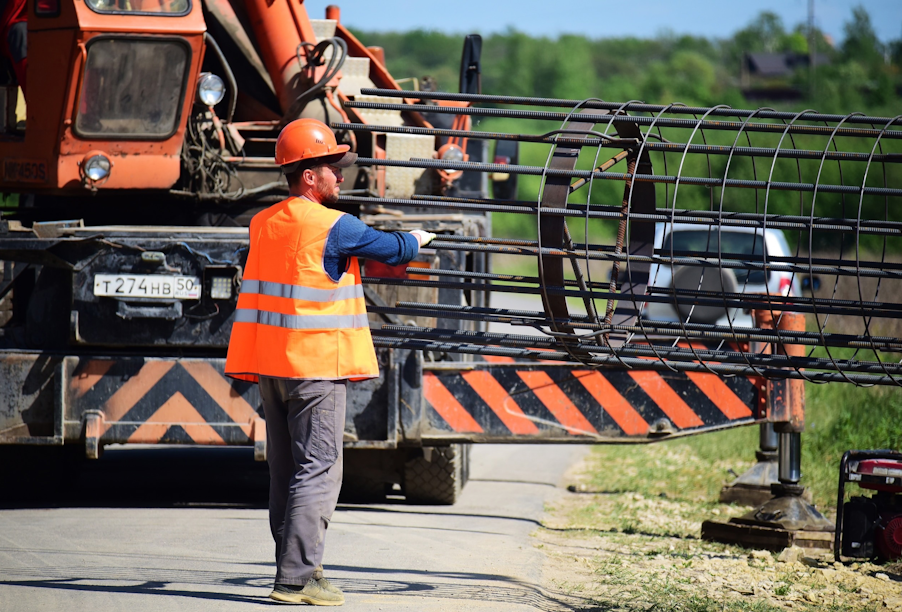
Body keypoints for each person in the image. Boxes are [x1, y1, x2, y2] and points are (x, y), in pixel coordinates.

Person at [225, 118, 434, 606]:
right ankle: (295, 580)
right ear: (308, 176)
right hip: (315, 367)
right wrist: (421, 239)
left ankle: (301, 568)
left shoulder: (263, 222)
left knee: (287, 472)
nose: (342, 176)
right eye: (333, 168)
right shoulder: (333, 226)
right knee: (319, 470)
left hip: (272, 369)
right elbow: (393, 248)